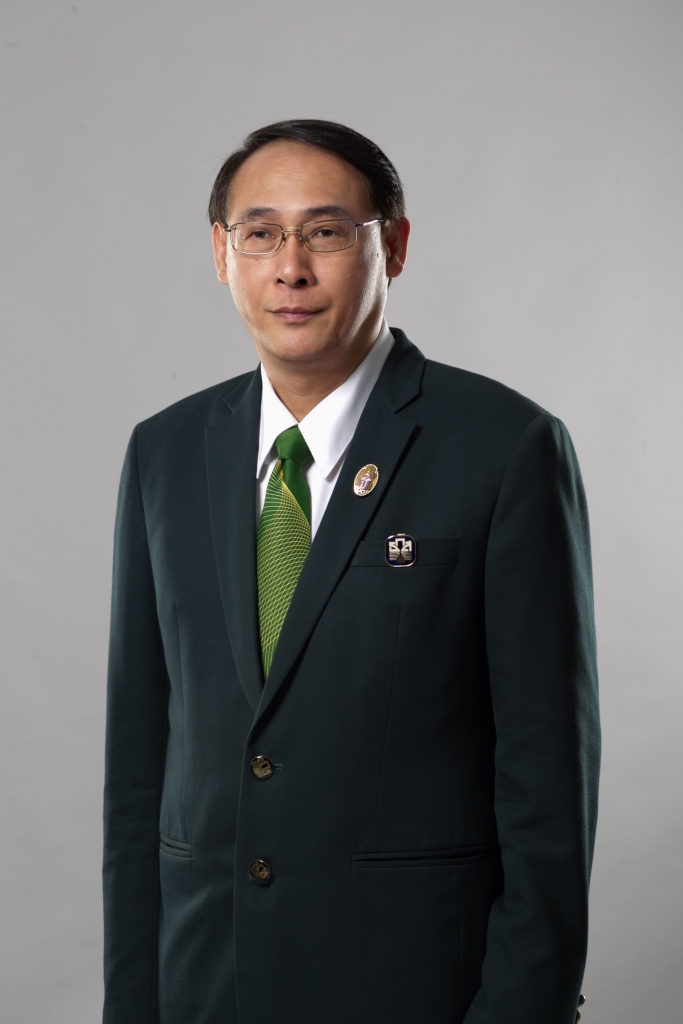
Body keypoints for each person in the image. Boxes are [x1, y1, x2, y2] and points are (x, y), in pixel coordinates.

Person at [102, 119, 600, 1024]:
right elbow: (139, 768)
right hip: (206, 985)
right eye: (260, 233)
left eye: (326, 232)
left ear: (394, 247)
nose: (289, 268)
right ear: (221, 253)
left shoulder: (502, 447)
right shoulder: (165, 452)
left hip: (412, 987)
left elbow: (546, 783)